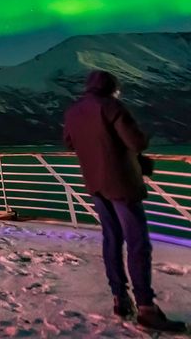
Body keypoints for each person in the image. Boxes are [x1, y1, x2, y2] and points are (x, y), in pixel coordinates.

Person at [64, 70, 186, 333]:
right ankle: (146, 309)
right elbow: (136, 141)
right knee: (138, 244)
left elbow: (70, 144)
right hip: (121, 185)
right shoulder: (112, 106)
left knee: (111, 239)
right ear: (111, 87)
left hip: (95, 184)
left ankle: (120, 299)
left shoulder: (74, 111)